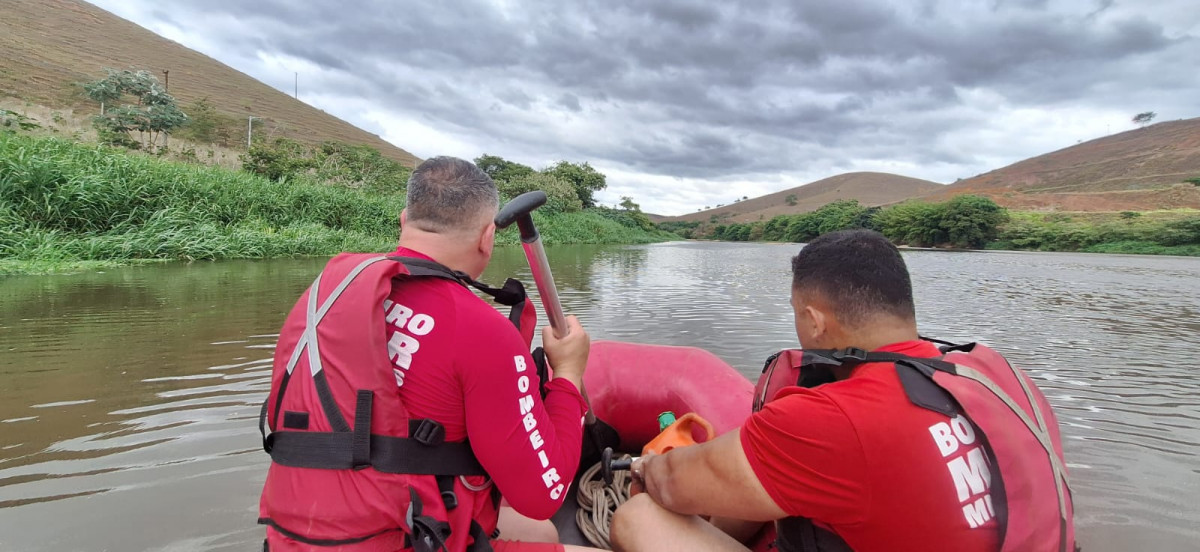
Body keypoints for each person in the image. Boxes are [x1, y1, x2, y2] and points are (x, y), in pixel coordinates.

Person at [610, 229, 1075, 552]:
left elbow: (672, 484)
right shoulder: (1002, 378)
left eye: (796, 312)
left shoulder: (835, 418)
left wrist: (648, 466)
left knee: (640, 518)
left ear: (814, 320)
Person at [258, 156, 600, 552]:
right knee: (544, 525)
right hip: (403, 538)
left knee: (540, 533)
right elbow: (545, 497)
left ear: (404, 221)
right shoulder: (481, 330)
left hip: (292, 536)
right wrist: (568, 372)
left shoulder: (326, 294)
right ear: (487, 237)